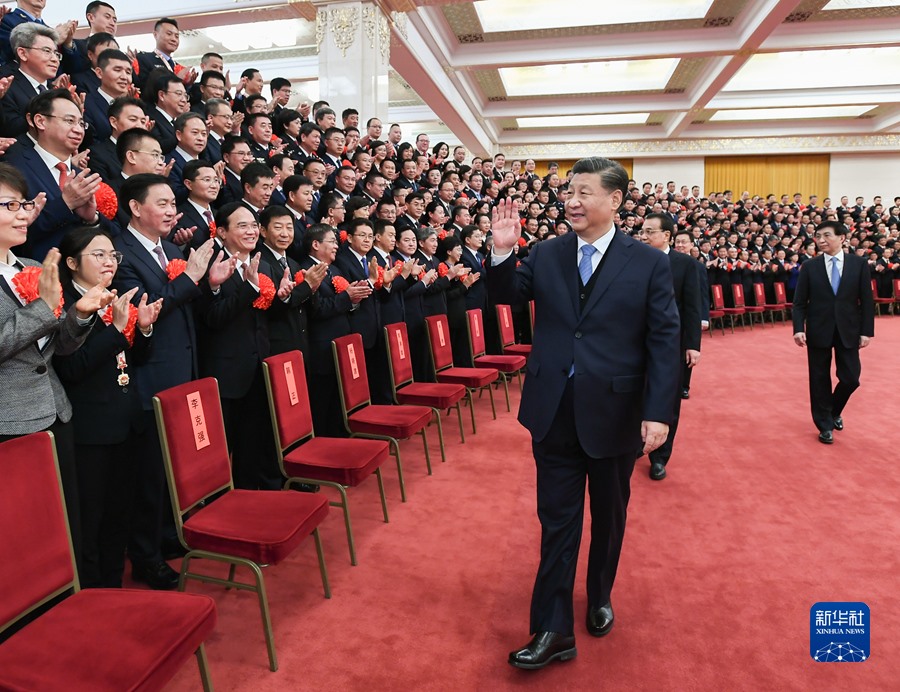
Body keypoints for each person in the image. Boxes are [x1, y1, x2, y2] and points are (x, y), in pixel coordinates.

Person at [486, 156, 680, 670]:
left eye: (583, 192)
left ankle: (599, 593)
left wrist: (659, 412)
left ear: (615, 200)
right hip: (552, 409)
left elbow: (664, 340)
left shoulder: (648, 262)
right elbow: (504, 299)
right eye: (568, 192)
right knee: (557, 521)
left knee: (609, 517)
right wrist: (502, 253)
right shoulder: (547, 253)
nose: (571, 201)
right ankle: (552, 628)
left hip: (617, 412)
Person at [55, 227, 163, 588]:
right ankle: (92, 592)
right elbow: (72, 368)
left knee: (120, 513)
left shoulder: (114, 298)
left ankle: (113, 585)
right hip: (91, 430)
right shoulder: (65, 304)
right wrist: (117, 330)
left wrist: (142, 330)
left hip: (126, 421)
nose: (109, 262)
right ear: (72, 263)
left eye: (113, 255)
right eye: (98, 255)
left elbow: (133, 359)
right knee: (92, 518)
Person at [792, 220, 874, 444]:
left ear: (842, 238)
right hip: (818, 328)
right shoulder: (810, 266)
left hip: (849, 329)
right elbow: (799, 302)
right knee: (819, 378)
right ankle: (824, 425)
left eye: (826, 235)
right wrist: (798, 328)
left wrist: (866, 331)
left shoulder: (859, 264)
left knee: (851, 379)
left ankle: (833, 410)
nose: (821, 240)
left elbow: (867, 300)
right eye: (818, 236)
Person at [639, 214, 701, 480]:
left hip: (671, 344)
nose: (643, 236)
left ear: (666, 235)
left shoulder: (685, 264)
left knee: (667, 398)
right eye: (642, 231)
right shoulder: (635, 259)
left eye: (649, 232)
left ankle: (660, 457)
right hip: (636, 341)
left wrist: (692, 345)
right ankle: (636, 443)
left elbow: (692, 307)